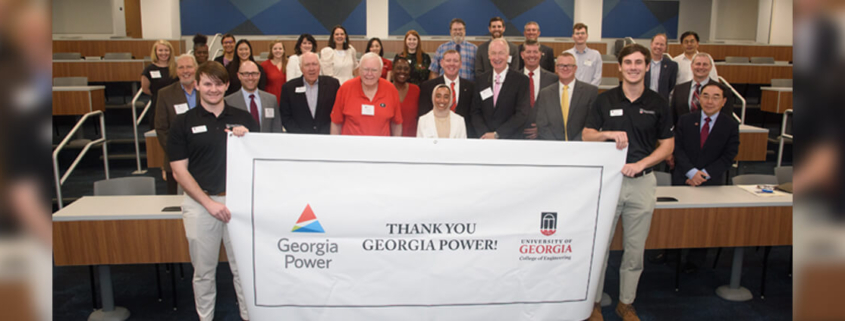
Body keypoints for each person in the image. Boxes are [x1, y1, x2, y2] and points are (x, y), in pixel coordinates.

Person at [583, 44, 674, 321]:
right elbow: (586, 135)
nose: (633, 67)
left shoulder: (659, 103)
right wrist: (608, 134)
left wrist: (642, 164)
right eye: (628, 63)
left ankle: (626, 303)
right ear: (620, 68)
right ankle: (594, 303)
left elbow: (668, 146)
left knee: (635, 251)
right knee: (600, 248)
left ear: (647, 67)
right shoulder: (604, 100)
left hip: (643, 183)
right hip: (609, 183)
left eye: (639, 62)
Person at [168, 61, 256, 321]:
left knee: (243, 270)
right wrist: (209, 204)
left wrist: (248, 139)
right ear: (196, 85)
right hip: (201, 205)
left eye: (219, 84)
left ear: (227, 85)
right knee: (204, 271)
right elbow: (178, 171)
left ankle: (248, 316)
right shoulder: (183, 123)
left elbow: (257, 162)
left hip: (238, 205)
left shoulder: (244, 119)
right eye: (207, 83)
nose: (213, 89)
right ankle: (205, 318)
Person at [672, 82, 739, 186]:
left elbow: (728, 156)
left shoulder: (730, 125)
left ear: (724, 101)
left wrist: (702, 175)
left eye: (715, 98)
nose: (709, 102)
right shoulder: (685, 120)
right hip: (683, 178)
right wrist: (692, 173)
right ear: (699, 98)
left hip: (712, 181)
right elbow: (677, 148)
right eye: (705, 96)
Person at [154, 54, 199, 195]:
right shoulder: (165, 94)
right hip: (176, 160)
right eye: (181, 67)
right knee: (177, 204)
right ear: (176, 71)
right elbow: (161, 129)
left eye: (189, 67)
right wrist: (177, 151)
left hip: (204, 158)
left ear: (196, 69)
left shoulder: (207, 91)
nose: (186, 71)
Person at [470, 38, 530, 140]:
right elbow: (475, 112)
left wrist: (497, 134)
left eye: (501, 53)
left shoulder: (521, 80)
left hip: (510, 140)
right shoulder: (481, 80)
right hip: (485, 140)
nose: (497, 57)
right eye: (493, 53)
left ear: (507, 55)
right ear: (489, 56)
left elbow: (522, 114)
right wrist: (485, 134)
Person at [330, 52, 402, 136]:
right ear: (359, 70)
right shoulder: (345, 89)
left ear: (381, 72)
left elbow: (396, 124)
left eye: (374, 70)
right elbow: (336, 123)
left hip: (381, 147)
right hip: (351, 147)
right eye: (366, 69)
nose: (369, 74)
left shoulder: (391, 90)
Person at [536, 52, 598, 141]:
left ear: (575, 68)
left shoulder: (590, 92)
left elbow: (591, 123)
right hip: (553, 147)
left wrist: (574, 144)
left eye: (569, 65)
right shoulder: (545, 93)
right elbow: (542, 124)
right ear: (556, 68)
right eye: (561, 65)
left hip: (581, 147)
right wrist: (558, 146)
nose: (565, 68)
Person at [280, 52, 341, 134]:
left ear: (319, 66)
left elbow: (338, 112)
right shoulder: (289, 88)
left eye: (314, 64)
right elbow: (285, 117)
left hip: (326, 138)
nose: (311, 68)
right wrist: (302, 136)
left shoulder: (333, 84)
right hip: (299, 139)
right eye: (307, 65)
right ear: (301, 68)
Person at [419, 49, 475, 137]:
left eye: (455, 61)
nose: (451, 64)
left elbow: (473, 115)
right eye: (448, 60)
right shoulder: (428, 87)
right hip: (434, 138)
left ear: (460, 64)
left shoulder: (471, 87)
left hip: (463, 138)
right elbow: (424, 115)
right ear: (442, 63)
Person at [669, 53, 733, 126]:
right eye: (698, 64)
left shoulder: (723, 90)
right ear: (692, 66)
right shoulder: (679, 89)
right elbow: (673, 117)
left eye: (705, 64)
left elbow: (727, 119)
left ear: (710, 67)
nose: (701, 67)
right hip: (683, 134)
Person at [224, 60, 283, 133]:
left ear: (259, 75)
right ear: (239, 76)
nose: (250, 78)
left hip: (266, 143)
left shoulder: (271, 100)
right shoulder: (229, 102)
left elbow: (277, 128)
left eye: (254, 74)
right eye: (246, 74)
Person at [520, 39, 558, 139]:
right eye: (528, 52)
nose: (532, 55)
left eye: (535, 52)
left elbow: (555, 109)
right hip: (518, 135)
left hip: (545, 136)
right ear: (522, 55)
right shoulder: (513, 78)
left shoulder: (553, 79)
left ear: (540, 54)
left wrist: (541, 128)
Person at [141, 39, 177, 126]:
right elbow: (145, 89)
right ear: (155, 52)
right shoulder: (149, 69)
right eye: (160, 50)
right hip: (157, 103)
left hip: (175, 102)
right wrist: (160, 95)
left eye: (166, 50)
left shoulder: (176, 67)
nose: (163, 53)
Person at [643, 33, 678, 101]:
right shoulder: (642, 62)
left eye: (662, 44)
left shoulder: (672, 66)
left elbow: (671, 85)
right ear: (651, 44)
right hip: (643, 100)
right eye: (656, 43)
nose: (658, 47)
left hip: (661, 102)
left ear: (665, 47)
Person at [392, 58, 420, 137]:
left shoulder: (416, 90)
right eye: (399, 68)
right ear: (393, 70)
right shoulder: (386, 89)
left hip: (412, 138)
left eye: (406, 69)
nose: (402, 71)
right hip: (390, 138)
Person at [260, 39, 287, 104]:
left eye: (280, 48)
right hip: (269, 100)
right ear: (271, 51)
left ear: (284, 50)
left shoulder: (289, 63)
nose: (278, 50)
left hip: (286, 99)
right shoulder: (264, 65)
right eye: (275, 49)